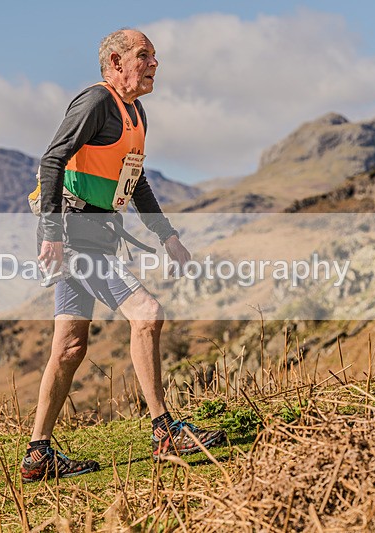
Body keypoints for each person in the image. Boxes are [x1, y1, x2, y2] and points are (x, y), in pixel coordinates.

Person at [22, 28, 225, 483]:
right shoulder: (95, 103)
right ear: (115, 62)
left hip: (96, 237)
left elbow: (137, 180)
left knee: (71, 347)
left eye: (154, 56)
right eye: (144, 55)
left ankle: (37, 455)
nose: (155, 64)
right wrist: (50, 234)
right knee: (148, 313)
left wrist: (166, 236)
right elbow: (52, 160)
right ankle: (164, 431)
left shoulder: (136, 113)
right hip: (74, 237)